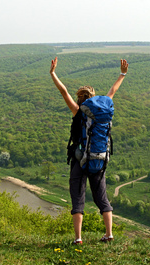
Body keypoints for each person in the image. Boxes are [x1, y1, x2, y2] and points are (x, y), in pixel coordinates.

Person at [50, 57, 129, 244]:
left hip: (80, 160)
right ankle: (109, 234)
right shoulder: (104, 108)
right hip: (100, 160)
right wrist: (122, 73)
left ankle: (78, 238)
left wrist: (53, 73)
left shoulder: (78, 111)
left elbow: (63, 91)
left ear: (80, 98)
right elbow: (113, 90)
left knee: (78, 199)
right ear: (94, 98)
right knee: (102, 199)